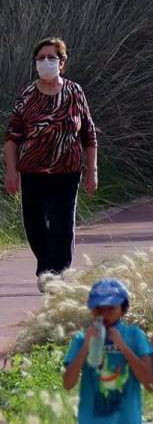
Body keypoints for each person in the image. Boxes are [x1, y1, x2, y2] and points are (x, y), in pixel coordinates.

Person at [3, 37, 98, 292]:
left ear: (63, 62)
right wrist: (11, 172)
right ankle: (45, 265)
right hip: (32, 172)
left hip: (67, 171)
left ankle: (56, 273)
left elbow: (89, 134)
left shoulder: (74, 92)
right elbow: (12, 137)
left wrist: (93, 171)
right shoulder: (27, 96)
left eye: (51, 58)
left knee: (62, 223)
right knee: (33, 224)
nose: (46, 63)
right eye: (41, 58)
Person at [63, 278, 153, 424]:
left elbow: (149, 380)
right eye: (99, 308)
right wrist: (86, 347)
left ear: (123, 309)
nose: (104, 314)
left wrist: (124, 347)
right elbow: (68, 384)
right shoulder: (81, 339)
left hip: (126, 419)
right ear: (91, 309)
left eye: (111, 308)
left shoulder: (134, 335)